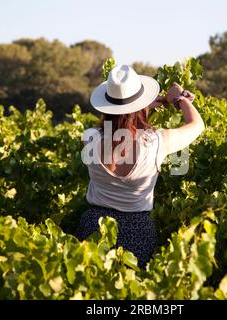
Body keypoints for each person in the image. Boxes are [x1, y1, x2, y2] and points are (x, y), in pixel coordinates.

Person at [76, 64, 205, 268]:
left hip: (93, 226)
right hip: (137, 230)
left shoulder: (89, 138)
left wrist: (141, 107)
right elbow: (197, 125)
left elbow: (116, 121)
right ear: (139, 106)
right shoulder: (154, 142)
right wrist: (179, 99)